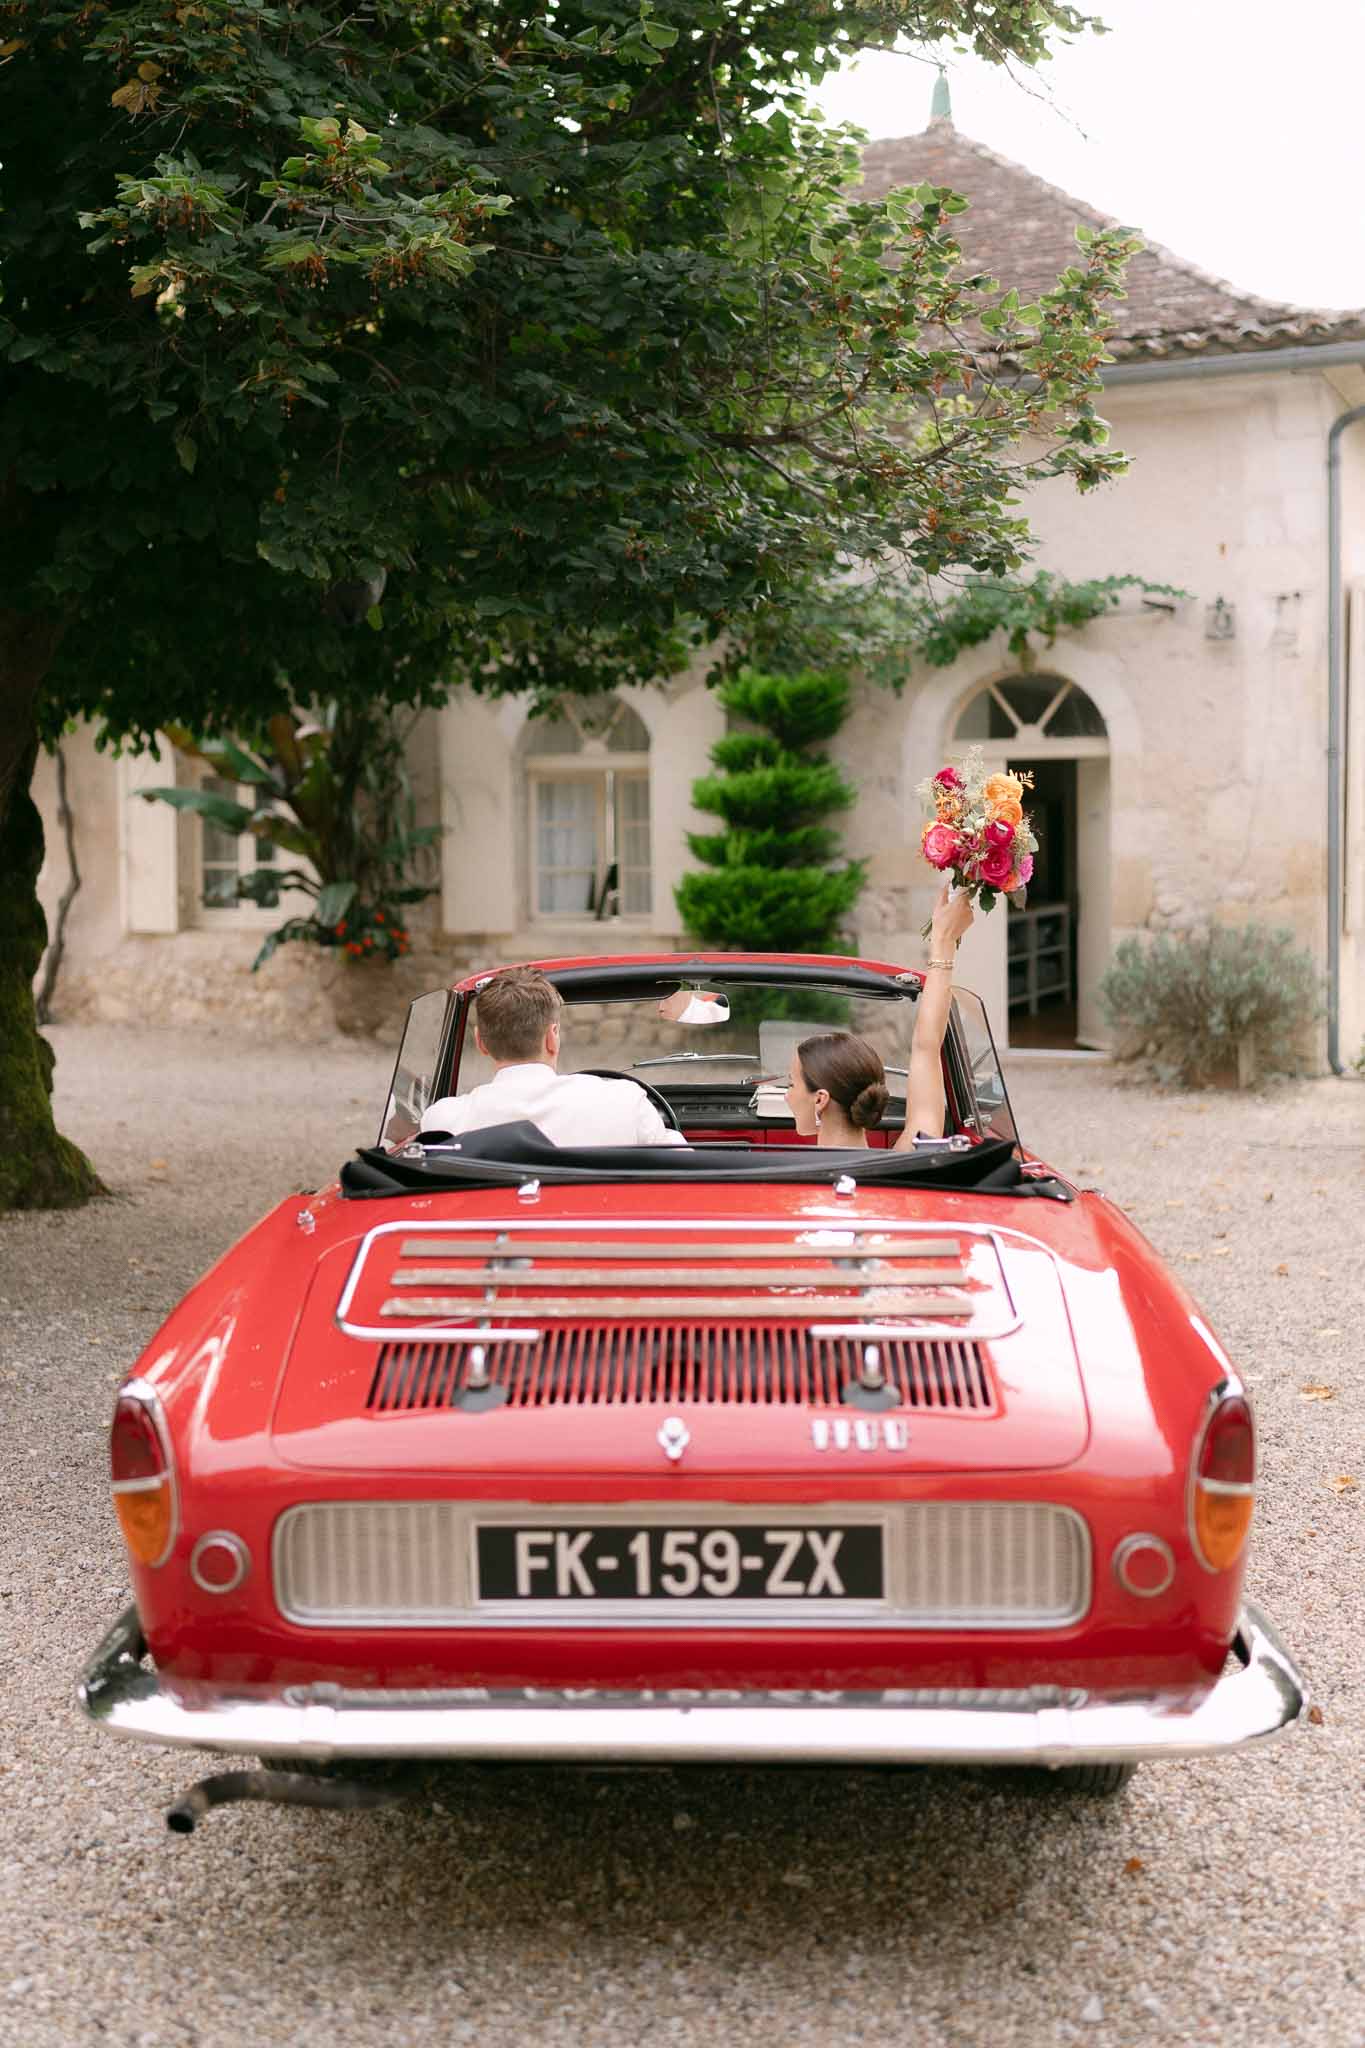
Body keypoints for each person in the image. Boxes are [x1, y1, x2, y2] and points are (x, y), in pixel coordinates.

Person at [783, 880, 975, 1148]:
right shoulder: (906, 1158)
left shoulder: (787, 1180)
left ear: (820, 1099)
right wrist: (944, 941)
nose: (786, 1096)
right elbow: (927, 1046)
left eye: (791, 1085)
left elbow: (926, 1046)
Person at [420, 966, 688, 1147]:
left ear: (481, 1042)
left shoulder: (444, 1122)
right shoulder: (626, 1102)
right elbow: (687, 1176)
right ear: (552, 1036)